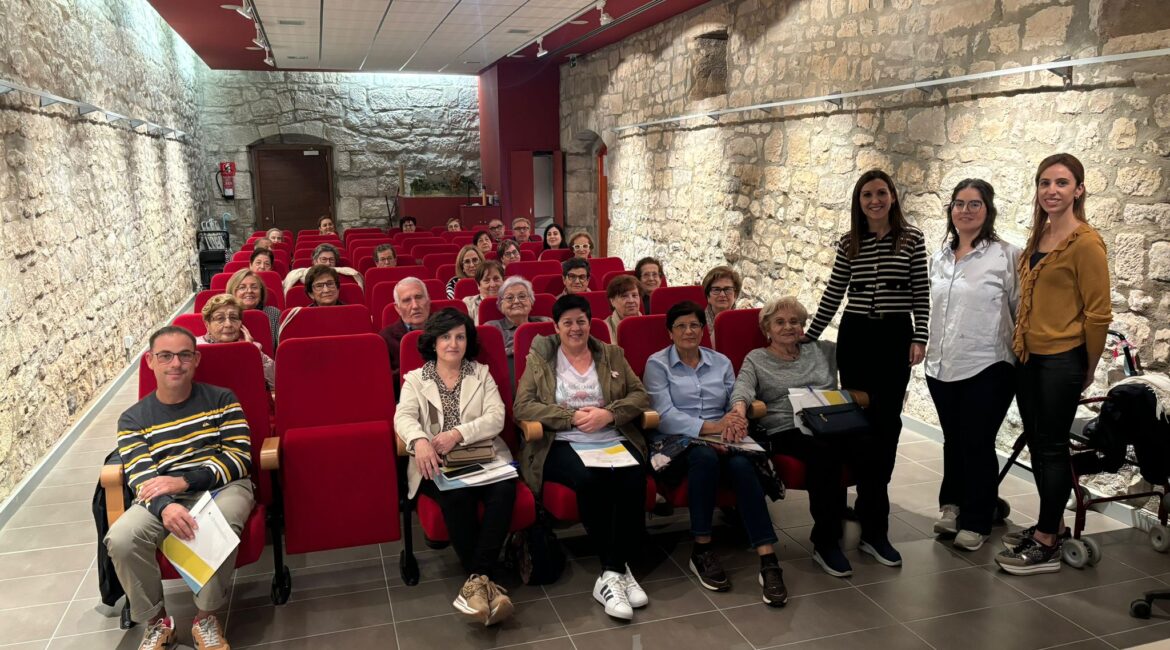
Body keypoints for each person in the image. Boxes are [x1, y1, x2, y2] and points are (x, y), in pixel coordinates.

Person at [805, 169, 929, 569]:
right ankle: (844, 516)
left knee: (886, 427)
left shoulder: (912, 240)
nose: (874, 200)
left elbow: (921, 292)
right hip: (856, 338)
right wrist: (809, 336)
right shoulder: (849, 243)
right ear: (858, 203)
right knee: (854, 425)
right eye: (866, 195)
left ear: (892, 196)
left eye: (881, 193)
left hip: (894, 337)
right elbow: (834, 291)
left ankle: (876, 526)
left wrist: (920, 336)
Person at [996, 154, 1111, 576]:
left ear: (1078, 190)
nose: (1052, 190)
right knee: (1039, 444)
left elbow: (1098, 313)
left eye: (1062, 183)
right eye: (1045, 182)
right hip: (1029, 357)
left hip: (1063, 359)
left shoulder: (1086, 242)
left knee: (1052, 448)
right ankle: (1054, 526)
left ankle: (1046, 542)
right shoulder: (1040, 234)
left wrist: (1089, 366)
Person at [105, 326, 253, 650]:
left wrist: (187, 481)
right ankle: (158, 623)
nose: (176, 363)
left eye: (185, 355)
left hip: (222, 485)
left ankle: (206, 617)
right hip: (160, 495)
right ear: (150, 361)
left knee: (217, 522)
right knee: (122, 537)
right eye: (166, 356)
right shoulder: (132, 419)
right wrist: (167, 505)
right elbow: (141, 474)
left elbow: (240, 458)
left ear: (196, 359)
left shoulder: (222, 399)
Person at [514, 295, 652, 621]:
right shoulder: (541, 359)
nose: (575, 328)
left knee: (634, 476)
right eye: (568, 322)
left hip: (611, 437)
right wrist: (569, 417)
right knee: (592, 478)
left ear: (591, 323)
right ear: (556, 327)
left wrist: (608, 414)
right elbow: (523, 406)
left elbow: (640, 395)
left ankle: (612, 572)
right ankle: (617, 569)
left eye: (581, 321)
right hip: (562, 442)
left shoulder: (611, 354)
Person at [644, 302, 787, 605]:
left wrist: (735, 421)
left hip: (724, 435)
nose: (688, 331)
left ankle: (768, 558)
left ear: (703, 329)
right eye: (681, 326)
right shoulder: (657, 364)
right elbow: (665, 415)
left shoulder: (720, 361)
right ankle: (702, 549)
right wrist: (711, 427)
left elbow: (734, 398)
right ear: (670, 332)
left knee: (742, 465)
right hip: (677, 442)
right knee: (704, 458)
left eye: (694, 325)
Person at [730, 297, 866, 578]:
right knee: (824, 454)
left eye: (794, 321)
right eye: (779, 322)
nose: (788, 327)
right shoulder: (757, 358)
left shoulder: (822, 351)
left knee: (871, 444)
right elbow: (742, 389)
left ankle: (873, 529)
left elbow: (860, 360)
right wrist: (738, 412)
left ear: (804, 326)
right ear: (767, 329)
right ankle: (825, 542)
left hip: (831, 422)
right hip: (785, 427)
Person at [396, 309, 516, 626]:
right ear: (433, 342)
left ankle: (477, 583)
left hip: (482, 456)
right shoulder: (416, 379)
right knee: (457, 497)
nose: (453, 343)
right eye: (446, 337)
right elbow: (403, 417)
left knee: (504, 490)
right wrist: (421, 440)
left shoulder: (481, 374)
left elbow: (496, 417)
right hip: (437, 461)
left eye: (460, 336)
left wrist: (458, 433)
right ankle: (487, 584)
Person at [926, 180, 1020, 552]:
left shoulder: (1006, 255)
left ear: (988, 209)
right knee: (954, 440)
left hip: (989, 364)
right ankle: (952, 505)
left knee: (978, 442)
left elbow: (1017, 309)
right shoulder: (939, 257)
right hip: (941, 365)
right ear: (951, 209)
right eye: (959, 203)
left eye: (975, 204)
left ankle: (978, 519)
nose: (966, 210)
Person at [200, 294, 275, 390]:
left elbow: (276, 383)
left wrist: (251, 351)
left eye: (234, 318)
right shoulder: (194, 346)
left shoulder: (253, 347)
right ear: (207, 324)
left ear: (241, 323)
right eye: (220, 318)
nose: (228, 324)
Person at [485, 276, 551, 382]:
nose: (516, 301)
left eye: (522, 296)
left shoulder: (546, 322)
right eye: (510, 298)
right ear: (501, 305)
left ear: (531, 301)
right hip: (510, 381)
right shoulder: (492, 328)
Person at [379, 277, 432, 387]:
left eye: (419, 297)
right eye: (407, 300)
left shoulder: (448, 329)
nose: (415, 306)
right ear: (397, 308)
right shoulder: (385, 338)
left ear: (428, 301)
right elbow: (384, 383)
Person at [226, 269, 280, 345]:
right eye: (242, 287)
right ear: (232, 292)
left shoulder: (273, 313)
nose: (249, 291)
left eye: (254, 287)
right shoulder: (224, 316)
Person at [282, 243, 363, 293]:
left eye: (331, 260)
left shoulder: (347, 276)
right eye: (324, 259)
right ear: (315, 261)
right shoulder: (299, 275)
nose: (328, 263)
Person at [701, 266, 741, 347]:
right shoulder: (697, 324)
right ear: (708, 296)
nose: (722, 294)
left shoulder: (743, 322)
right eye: (716, 290)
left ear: (735, 295)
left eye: (727, 289)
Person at [604, 275, 642, 344]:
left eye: (634, 295)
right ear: (612, 301)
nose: (631, 300)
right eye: (624, 296)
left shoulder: (650, 325)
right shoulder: (604, 329)